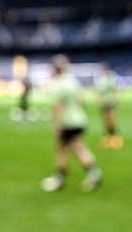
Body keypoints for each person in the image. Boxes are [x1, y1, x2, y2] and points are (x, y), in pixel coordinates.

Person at [40, 55, 103, 193]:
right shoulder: (72, 81)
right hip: (79, 119)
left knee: (63, 149)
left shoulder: (58, 84)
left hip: (67, 122)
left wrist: (56, 126)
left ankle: (60, 178)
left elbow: (57, 107)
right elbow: (81, 100)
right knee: (78, 148)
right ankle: (94, 174)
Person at [95, 63, 123, 149]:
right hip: (103, 103)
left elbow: (115, 89)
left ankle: (115, 139)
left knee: (111, 120)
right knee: (105, 121)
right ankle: (108, 139)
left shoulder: (111, 77)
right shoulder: (100, 79)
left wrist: (116, 99)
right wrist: (99, 100)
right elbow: (99, 92)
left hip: (110, 101)